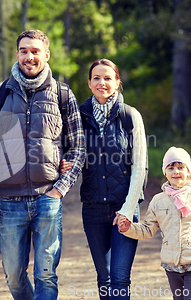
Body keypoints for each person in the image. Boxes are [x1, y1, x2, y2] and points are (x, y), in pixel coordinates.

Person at [0, 29, 86, 300]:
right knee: (13, 274)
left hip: (48, 197)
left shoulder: (62, 94)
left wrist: (60, 189)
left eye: (35, 51)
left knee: (46, 274)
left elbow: (79, 147)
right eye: (24, 51)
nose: (29, 56)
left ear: (46, 55)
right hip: (11, 201)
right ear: (17, 54)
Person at [118, 146, 191, 300]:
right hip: (171, 264)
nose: (176, 172)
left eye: (180, 167)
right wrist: (128, 228)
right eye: (171, 168)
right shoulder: (158, 201)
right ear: (165, 173)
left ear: (188, 171)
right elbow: (147, 229)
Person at [78, 58, 147, 300]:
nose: (102, 82)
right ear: (89, 83)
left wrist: (128, 209)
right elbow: (72, 155)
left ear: (117, 83)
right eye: (96, 78)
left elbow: (140, 166)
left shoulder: (130, 116)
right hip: (93, 209)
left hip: (124, 209)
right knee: (104, 277)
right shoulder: (79, 116)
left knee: (119, 277)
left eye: (108, 78)